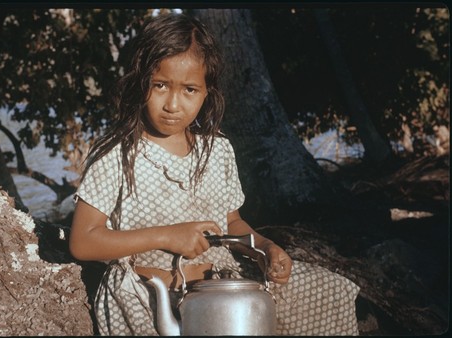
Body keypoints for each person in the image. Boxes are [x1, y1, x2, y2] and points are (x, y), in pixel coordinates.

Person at [69, 13, 360, 336]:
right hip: (150, 298)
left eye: (190, 89)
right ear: (141, 82)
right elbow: (83, 241)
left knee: (329, 291)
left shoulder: (217, 149)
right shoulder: (117, 154)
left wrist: (265, 248)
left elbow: (231, 223)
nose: (173, 104)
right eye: (160, 85)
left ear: (207, 92)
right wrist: (166, 236)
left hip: (222, 286)